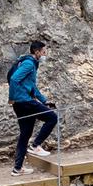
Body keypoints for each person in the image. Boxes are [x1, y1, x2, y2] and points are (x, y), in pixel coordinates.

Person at [8, 41, 58, 174]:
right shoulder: (29, 63)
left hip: (20, 103)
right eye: (43, 52)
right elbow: (13, 79)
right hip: (24, 101)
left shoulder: (27, 63)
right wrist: (13, 98)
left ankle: (17, 169)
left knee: (24, 134)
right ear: (36, 52)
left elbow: (31, 86)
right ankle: (36, 145)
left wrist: (44, 100)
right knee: (52, 117)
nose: (44, 55)